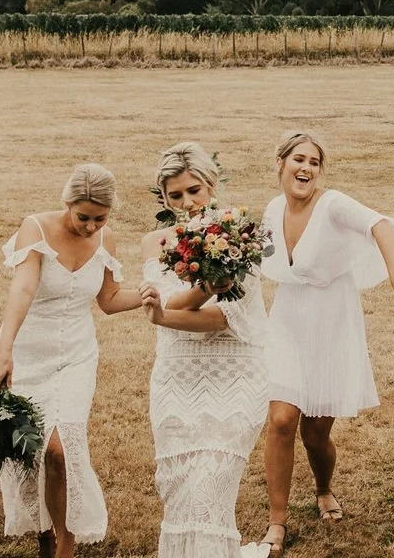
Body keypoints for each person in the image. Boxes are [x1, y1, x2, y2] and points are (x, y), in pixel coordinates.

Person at [257, 131, 394, 553]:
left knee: (314, 432)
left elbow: (380, 225)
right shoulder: (273, 210)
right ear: (280, 164)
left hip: (332, 319)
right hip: (288, 317)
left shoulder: (333, 204)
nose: (306, 168)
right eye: (298, 159)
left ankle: (323, 487)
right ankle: (277, 522)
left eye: (314, 162)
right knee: (280, 419)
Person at [0, 164, 142, 558]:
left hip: (77, 354)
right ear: (67, 204)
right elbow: (23, 290)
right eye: (83, 217)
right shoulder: (35, 228)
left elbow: (108, 301)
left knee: (61, 448)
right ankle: (44, 531)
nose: (91, 227)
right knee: (33, 448)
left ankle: (66, 544)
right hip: (27, 350)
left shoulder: (107, 238)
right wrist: (4, 351)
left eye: (100, 218)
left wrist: (147, 295)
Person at [138, 143, 272, 558]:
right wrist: (202, 292)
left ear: (212, 186)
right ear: (163, 198)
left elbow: (222, 319)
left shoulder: (239, 236)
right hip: (177, 375)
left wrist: (167, 313)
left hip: (236, 371)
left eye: (194, 191)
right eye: (175, 195)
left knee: (213, 479)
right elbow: (166, 304)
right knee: (180, 485)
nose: (186, 203)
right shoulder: (154, 241)